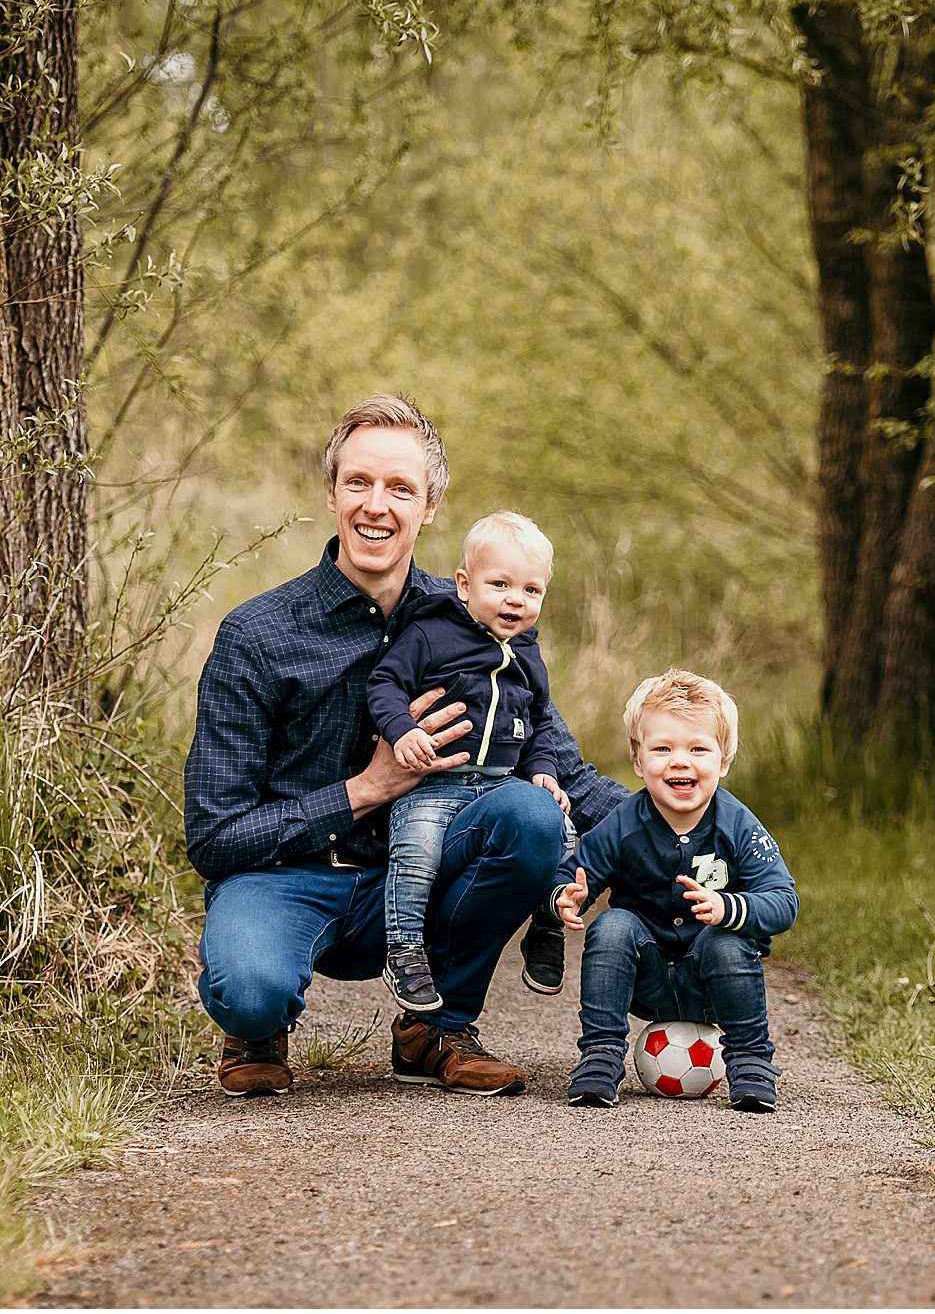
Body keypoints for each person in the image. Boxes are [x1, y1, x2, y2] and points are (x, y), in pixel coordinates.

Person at [184, 393, 625, 1098]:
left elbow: (563, 762)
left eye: (400, 487)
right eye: (358, 482)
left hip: (426, 877)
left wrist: (686, 826)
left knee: (534, 814)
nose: (376, 505)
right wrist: (369, 785)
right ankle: (256, 1026)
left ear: (431, 505)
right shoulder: (257, 636)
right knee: (249, 987)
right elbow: (213, 837)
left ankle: (437, 1027)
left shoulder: (480, 622)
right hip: (289, 876)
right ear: (331, 493)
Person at [551, 669, 799, 1112]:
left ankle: (751, 1061)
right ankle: (601, 1057)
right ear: (637, 758)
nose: (680, 761)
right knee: (612, 925)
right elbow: (576, 871)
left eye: (698, 749)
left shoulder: (738, 825)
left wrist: (729, 907)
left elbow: (783, 900)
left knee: (727, 939)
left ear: (723, 760)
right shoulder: (625, 823)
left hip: (710, 983)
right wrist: (565, 896)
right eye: (662, 748)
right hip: (645, 978)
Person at [367, 511, 572, 1013]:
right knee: (415, 853)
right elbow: (384, 685)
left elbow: (540, 720)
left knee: (565, 831)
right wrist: (402, 731)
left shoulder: (527, 653)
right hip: (434, 785)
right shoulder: (432, 635)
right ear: (464, 583)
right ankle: (404, 949)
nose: (514, 600)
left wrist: (543, 768)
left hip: (501, 785)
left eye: (531, 590)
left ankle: (547, 921)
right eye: (499, 584)